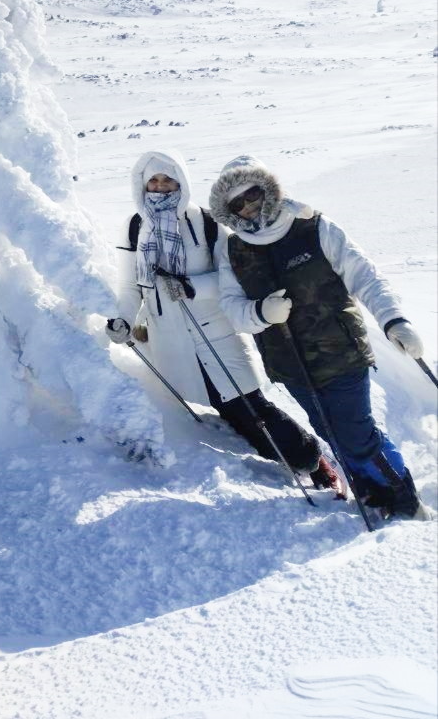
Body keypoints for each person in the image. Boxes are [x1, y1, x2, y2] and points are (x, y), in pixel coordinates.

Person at [209, 154, 432, 522]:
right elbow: (233, 310)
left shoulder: (312, 227)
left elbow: (365, 275)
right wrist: (262, 313)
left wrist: (394, 321)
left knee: (357, 435)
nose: (248, 206)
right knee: (331, 431)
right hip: (290, 365)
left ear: (267, 189)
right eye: (237, 203)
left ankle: (406, 501)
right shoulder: (234, 250)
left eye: (252, 194)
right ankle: (372, 491)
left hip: (340, 353)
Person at [106, 150, 342, 492]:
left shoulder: (205, 222)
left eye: (168, 179)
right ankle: (295, 462)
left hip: (216, 333)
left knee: (251, 407)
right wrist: (124, 321)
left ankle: (313, 462)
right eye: (153, 181)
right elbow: (130, 287)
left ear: (181, 181)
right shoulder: (135, 228)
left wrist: (190, 287)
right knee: (225, 411)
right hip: (171, 339)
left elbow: (231, 277)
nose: (160, 187)